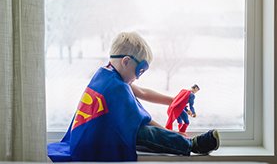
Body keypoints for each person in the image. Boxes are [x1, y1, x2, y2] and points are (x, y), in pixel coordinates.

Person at [47, 31, 220, 162]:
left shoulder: (105, 74)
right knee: (146, 134)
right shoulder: (116, 88)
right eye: (140, 71)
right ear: (126, 61)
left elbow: (142, 92)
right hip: (95, 142)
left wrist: (174, 101)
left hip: (86, 138)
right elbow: (143, 122)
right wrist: (176, 135)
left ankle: (186, 142)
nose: (138, 77)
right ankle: (193, 145)